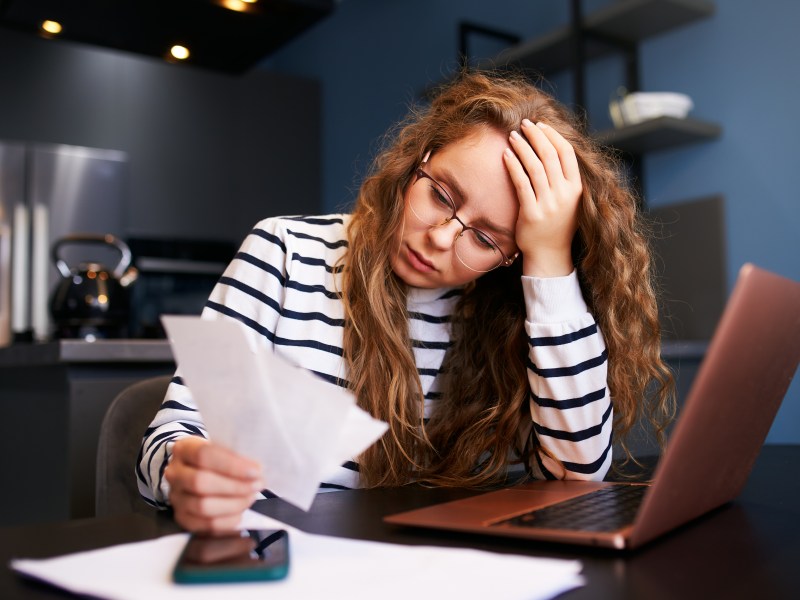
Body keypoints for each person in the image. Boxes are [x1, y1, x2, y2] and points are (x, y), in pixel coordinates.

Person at [137, 70, 674, 532]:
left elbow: (575, 475)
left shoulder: (504, 316)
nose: (441, 238)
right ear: (419, 159)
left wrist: (551, 261)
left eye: (485, 239)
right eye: (440, 194)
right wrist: (188, 467)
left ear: (511, 259)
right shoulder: (285, 250)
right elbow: (170, 438)